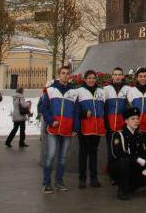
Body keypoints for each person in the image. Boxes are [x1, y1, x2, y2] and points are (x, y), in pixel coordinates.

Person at [40, 65, 79, 193]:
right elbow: (44, 108)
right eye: (63, 73)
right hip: (53, 128)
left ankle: (59, 181)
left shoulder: (74, 92)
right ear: (59, 74)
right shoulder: (50, 90)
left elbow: (76, 112)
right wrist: (51, 121)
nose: (65, 75)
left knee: (62, 157)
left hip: (67, 129)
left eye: (68, 73)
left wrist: (75, 128)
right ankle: (46, 183)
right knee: (50, 155)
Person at [110, 106, 146, 200]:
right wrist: (136, 159)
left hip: (134, 166)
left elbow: (145, 153)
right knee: (124, 161)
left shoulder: (139, 135)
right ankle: (121, 190)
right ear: (126, 121)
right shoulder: (119, 134)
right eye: (133, 119)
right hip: (120, 167)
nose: (136, 121)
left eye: (137, 118)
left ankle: (130, 187)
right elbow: (117, 153)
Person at [76, 69, 106, 188]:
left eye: (93, 78)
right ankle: (82, 178)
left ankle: (94, 178)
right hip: (84, 126)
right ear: (85, 79)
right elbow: (75, 108)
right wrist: (83, 112)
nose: (91, 80)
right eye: (89, 78)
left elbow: (104, 107)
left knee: (94, 153)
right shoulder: (78, 91)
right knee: (83, 153)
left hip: (97, 126)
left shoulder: (101, 92)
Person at [103, 66, 130, 182]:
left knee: (122, 151)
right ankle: (113, 176)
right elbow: (103, 108)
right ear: (112, 76)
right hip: (110, 126)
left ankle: (122, 174)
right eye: (115, 74)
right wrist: (105, 126)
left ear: (122, 76)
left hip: (123, 127)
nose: (118, 76)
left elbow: (130, 107)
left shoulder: (128, 89)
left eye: (119, 74)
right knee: (111, 152)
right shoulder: (106, 89)